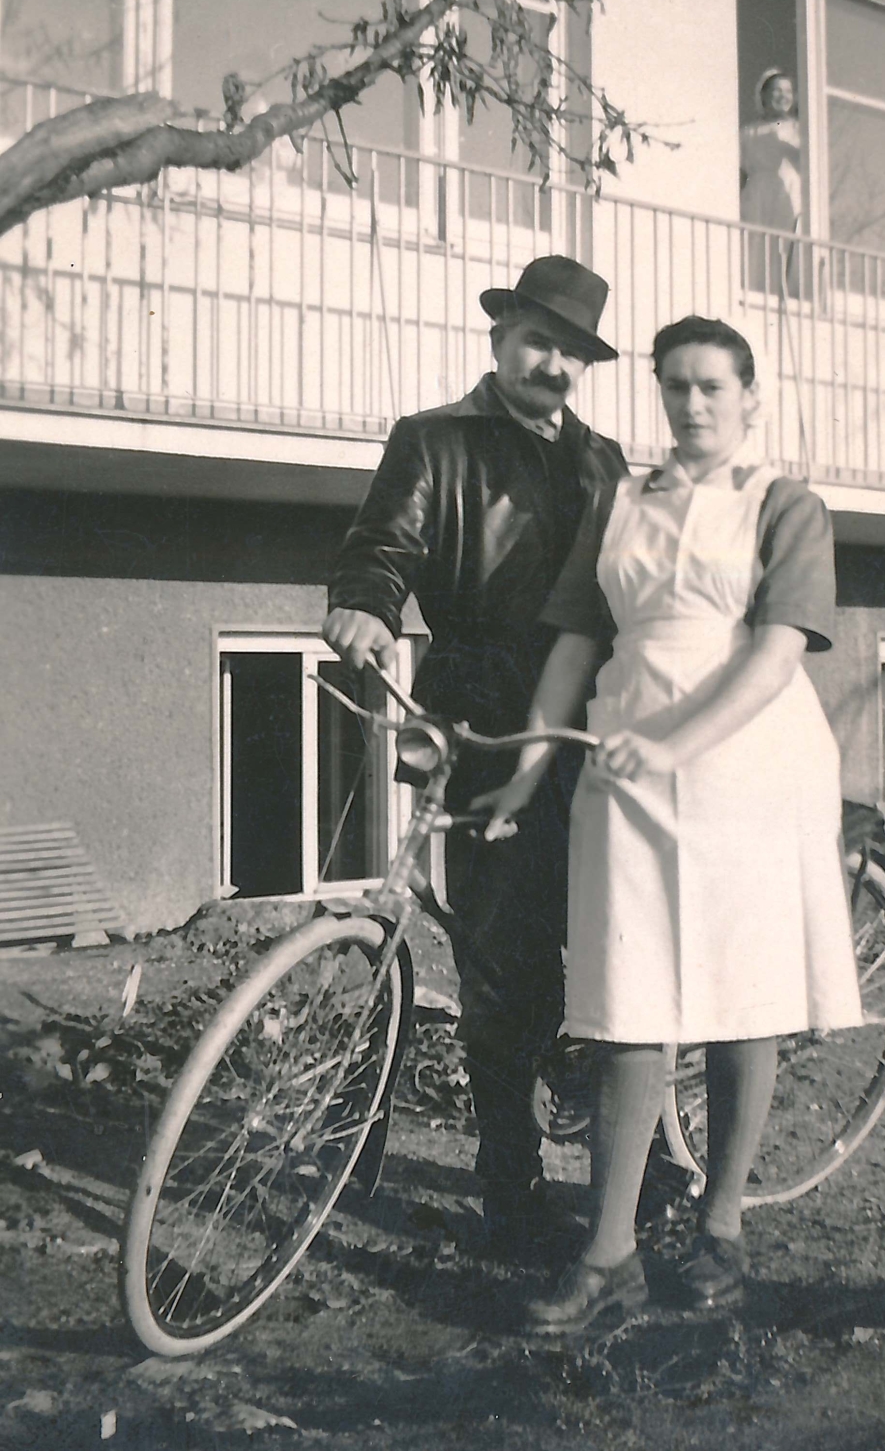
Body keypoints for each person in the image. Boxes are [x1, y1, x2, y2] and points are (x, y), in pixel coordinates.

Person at [484, 314, 863, 1330]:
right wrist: (530, 765)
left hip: (746, 764)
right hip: (623, 763)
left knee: (743, 996)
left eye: (710, 388)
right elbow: (573, 641)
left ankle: (721, 1229)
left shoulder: (784, 505)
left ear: (748, 399)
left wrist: (674, 744)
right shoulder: (618, 503)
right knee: (624, 1003)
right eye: (674, 388)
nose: (690, 405)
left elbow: (775, 654)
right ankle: (607, 1259)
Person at [323, 255, 628, 1258]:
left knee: (628, 948)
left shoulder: (605, 462)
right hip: (479, 719)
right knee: (499, 964)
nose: (553, 363)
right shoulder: (432, 440)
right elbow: (386, 544)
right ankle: (512, 1187)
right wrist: (367, 606)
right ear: (498, 338)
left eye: (572, 350)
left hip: (592, 718)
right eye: (537, 339)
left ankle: (652, 1166)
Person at [740, 69, 802, 294]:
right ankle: (755, 288)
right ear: (764, 96)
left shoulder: (799, 129)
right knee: (756, 243)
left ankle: (783, 290)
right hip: (757, 192)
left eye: (787, 91)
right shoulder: (748, 131)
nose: (782, 96)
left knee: (784, 242)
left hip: (787, 189)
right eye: (776, 90)